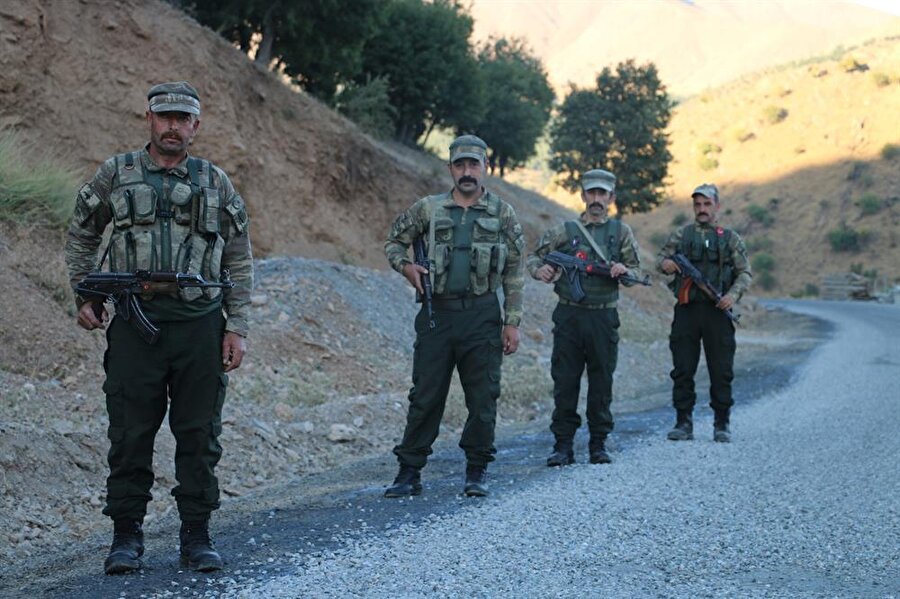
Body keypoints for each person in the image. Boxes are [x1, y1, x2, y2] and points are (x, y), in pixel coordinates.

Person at [64, 81, 253, 575]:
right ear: (149, 119)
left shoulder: (215, 181)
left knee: (199, 436)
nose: (173, 127)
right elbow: (82, 233)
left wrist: (237, 326)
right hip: (134, 325)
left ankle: (197, 536)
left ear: (196, 126)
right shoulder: (117, 173)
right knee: (130, 434)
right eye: (164, 117)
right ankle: (126, 536)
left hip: (200, 327)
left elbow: (238, 256)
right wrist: (85, 294)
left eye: (182, 119)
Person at [383, 134, 525, 498]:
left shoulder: (502, 213)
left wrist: (512, 321)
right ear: (450, 169)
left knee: (483, 397)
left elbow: (514, 270)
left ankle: (476, 471)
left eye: (473, 164)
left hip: (482, 314)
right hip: (438, 315)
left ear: (485, 168)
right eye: (460, 165)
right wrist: (407, 268)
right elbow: (394, 242)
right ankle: (409, 472)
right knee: (425, 396)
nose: (467, 172)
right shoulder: (428, 209)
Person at [527, 169, 642, 466]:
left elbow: (638, 273)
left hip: (603, 317)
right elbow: (534, 256)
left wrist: (625, 272)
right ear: (583, 195)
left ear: (611, 198)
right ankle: (563, 445)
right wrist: (540, 270)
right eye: (592, 193)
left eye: (602, 194)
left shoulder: (621, 232)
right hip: (569, 315)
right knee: (565, 380)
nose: (596, 199)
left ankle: (598, 444)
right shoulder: (565, 231)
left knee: (601, 381)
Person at [656, 183, 751, 443]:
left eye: (707, 204)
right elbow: (660, 261)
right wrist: (667, 264)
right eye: (697, 204)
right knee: (683, 368)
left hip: (718, 311)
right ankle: (683, 422)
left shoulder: (729, 238)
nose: (702, 209)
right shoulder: (682, 235)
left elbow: (744, 272)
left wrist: (732, 296)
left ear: (717, 206)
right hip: (687, 310)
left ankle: (722, 423)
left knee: (721, 370)